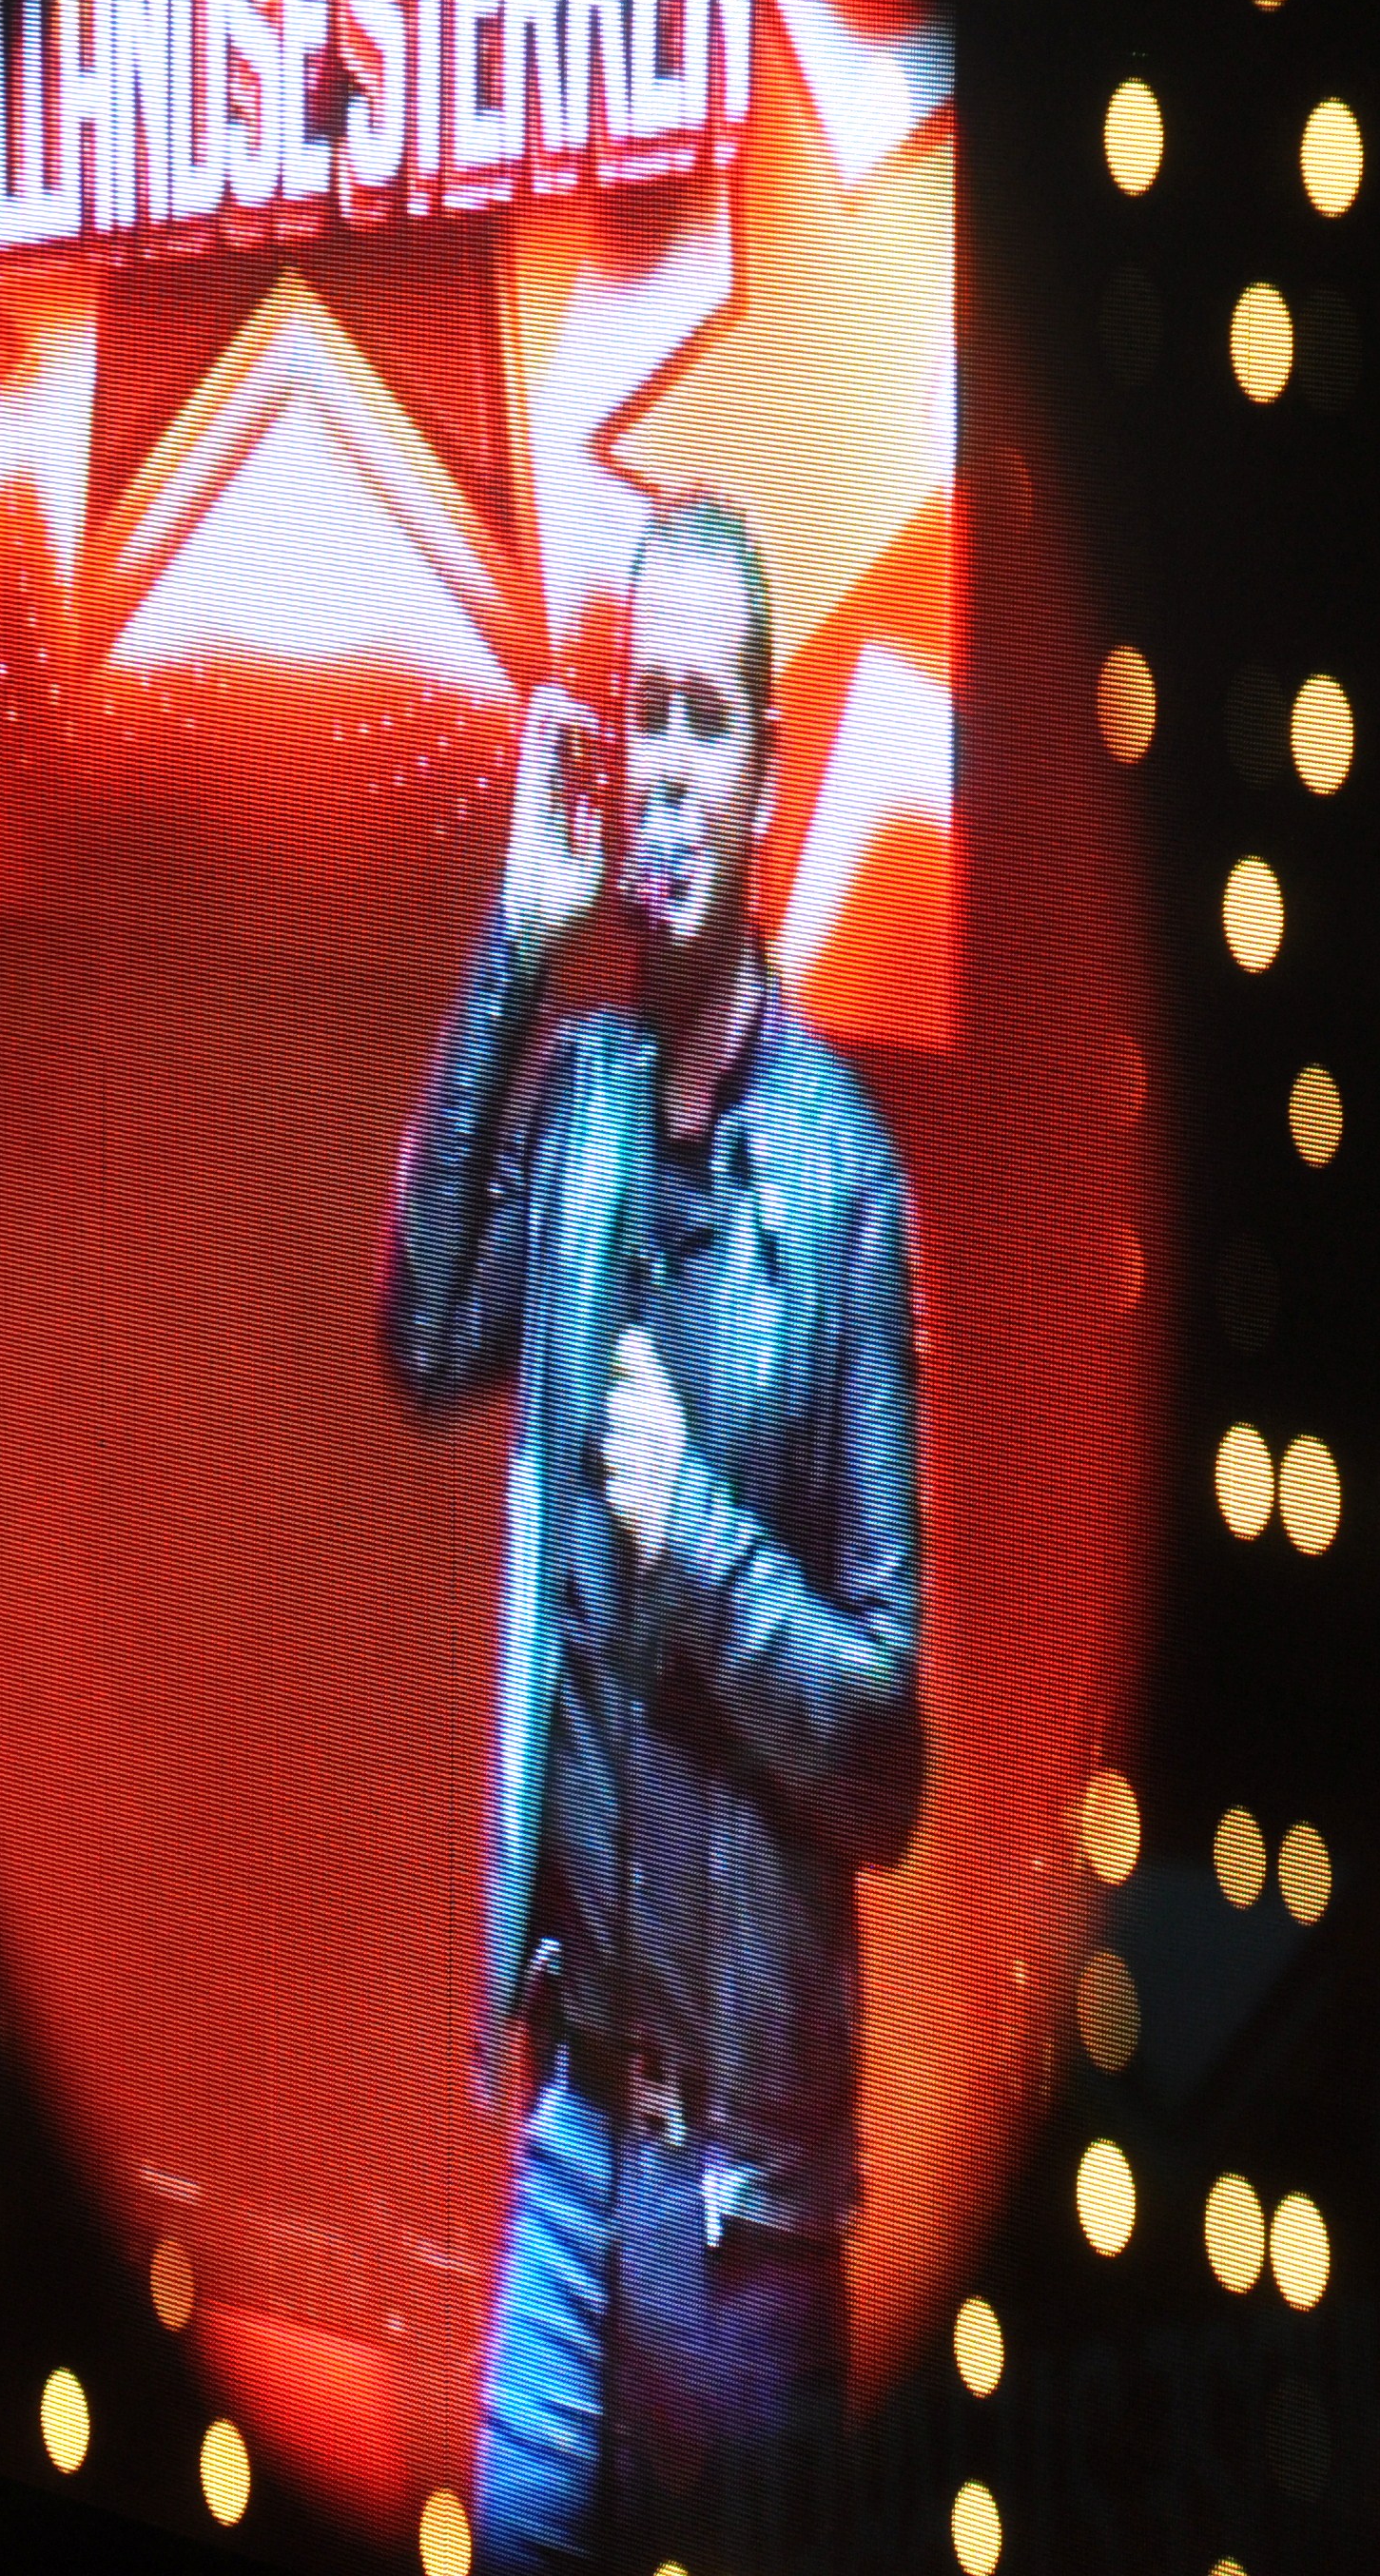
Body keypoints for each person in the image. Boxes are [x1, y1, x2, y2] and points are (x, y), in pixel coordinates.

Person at [382, 494, 927, 2573]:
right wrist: (511, 954)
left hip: (746, 2210)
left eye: (707, 720)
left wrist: (691, 1534)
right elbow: (425, 1335)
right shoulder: (586, 1099)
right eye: (644, 713)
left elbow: (884, 1759)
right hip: (573, 2136)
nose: (670, 767)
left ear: (769, 774)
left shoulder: (841, 1183)